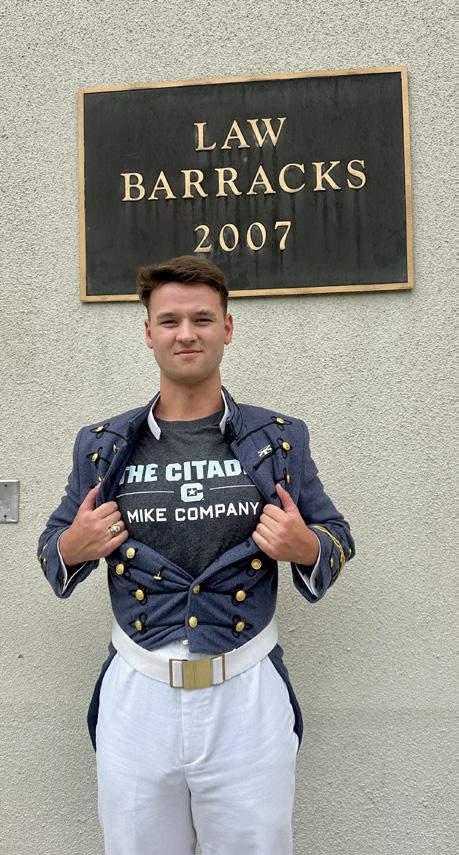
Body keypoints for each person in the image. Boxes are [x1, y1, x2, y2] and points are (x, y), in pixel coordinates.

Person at [37, 255, 355, 855]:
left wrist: (306, 546)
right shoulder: (104, 445)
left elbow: (336, 535)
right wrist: (73, 546)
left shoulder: (279, 438)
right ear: (149, 332)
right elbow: (53, 550)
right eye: (170, 321)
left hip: (247, 688)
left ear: (227, 328)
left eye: (203, 319)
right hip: (138, 690)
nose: (187, 334)